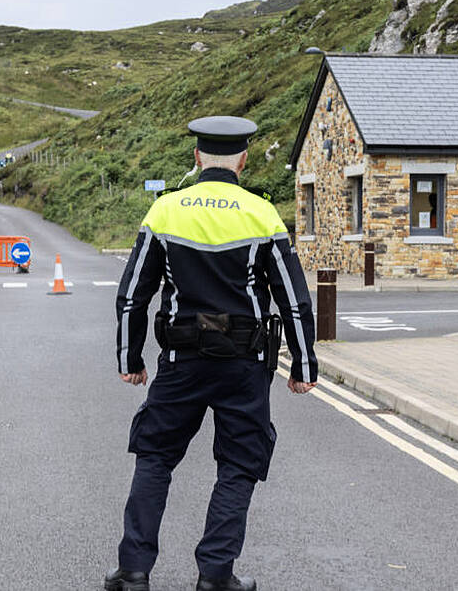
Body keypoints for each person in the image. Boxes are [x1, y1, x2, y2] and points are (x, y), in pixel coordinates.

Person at [106, 116, 318, 591]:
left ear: (196, 157)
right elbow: (293, 299)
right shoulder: (262, 215)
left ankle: (134, 572)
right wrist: (303, 366)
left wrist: (130, 359)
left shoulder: (165, 211)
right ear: (242, 160)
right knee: (239, 465)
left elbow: (131, 295)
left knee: (155, 457)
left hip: (181, 363)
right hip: (243, 366)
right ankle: (215, 577)